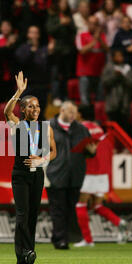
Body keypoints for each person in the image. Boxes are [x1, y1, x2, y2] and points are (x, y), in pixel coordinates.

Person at [4, 71, 56, 264]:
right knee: (22, 214)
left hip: (37, 175)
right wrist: (18, 93)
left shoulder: (45, 127)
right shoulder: (18, 124)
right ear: (23, 110)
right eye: (31, 106)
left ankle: (29, 252)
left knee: (33, 214)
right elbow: (7, 112)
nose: (36, 108)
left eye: (37, 105)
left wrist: (41, 160)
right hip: (20, 175)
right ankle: (21, 253)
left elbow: (53, 151)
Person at [74, 105, 128, 247]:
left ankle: (88, 240)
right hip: (102, 172)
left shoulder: (81, 129)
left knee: (80, 204)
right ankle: (119, 222)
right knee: (97, 206)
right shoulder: (99, 129)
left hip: (89, 171)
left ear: (80, 114)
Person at [46, 101, 96, 250]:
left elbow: (89, 150)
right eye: (70, 113)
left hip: (75, 175)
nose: (73, 116)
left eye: (75, 113)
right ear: (62, 111)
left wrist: (92, 151)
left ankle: (65, 237)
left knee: (70, 209)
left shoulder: (81, 129)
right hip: (55, 174)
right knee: (58, 209)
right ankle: (60, 239)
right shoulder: (48, 127)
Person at [15, 25, 55, 116]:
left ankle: (39, 130)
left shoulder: (44, 50)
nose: (34, 35)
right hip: (27, 87)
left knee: (40, 114)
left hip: (41, 87)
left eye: (36, 33)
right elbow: (22, 62)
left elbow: (48, 66)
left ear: (39, 35)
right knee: (26, 115)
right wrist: (32, 51)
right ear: (28, 35)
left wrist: (51, 54)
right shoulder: (22, 49)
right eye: (31, 32)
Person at [46, 0, 77, 106]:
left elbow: (74, 30)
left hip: (67, 50)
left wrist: (68, 24)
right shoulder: (53, 16)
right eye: (62, 2)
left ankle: (65, 97)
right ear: (58, 4)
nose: (63, 5)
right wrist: (61, 24)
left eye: (65, 3)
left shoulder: (69, 16)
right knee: (55, 75)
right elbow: (49, 30)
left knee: (66, 76)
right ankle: (56, 97)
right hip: (57, 50)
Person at [76, 15, 108, 105]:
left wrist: (99, 39)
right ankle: (86, 118)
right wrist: (94, 40)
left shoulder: (102, 36)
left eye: (95, 24)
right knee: (85, 100)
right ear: (87, 24)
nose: (93, 26)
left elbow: (108, 50)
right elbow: (82, 51)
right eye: (91, 23)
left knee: (100, 100)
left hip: (99, 73)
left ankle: (98, 119)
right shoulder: (81, 35)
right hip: (84, 73)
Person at [101, 49, 132, 134]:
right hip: (112, 105)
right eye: (118, 56)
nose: (120, 58)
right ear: (113, 57)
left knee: (124, 131)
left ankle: (123, 147)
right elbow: (104, 82)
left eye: (121, 56)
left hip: (124, 105)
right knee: (112, 132)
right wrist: (115, 76)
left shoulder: (127, 68)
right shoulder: (108, 68)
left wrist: (122, 77)